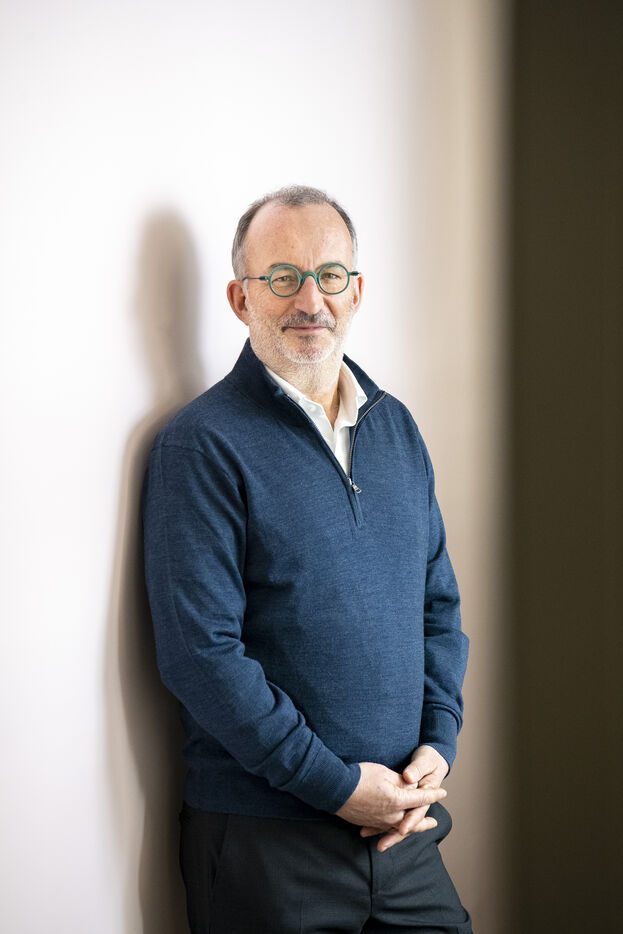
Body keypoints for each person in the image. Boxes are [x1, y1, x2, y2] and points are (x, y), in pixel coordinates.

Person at [142, 185, 472, 933]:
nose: (310, 300)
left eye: (329, 275)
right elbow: (201, 656)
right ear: (240, 298)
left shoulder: (396, 430)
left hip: (405, 837)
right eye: (283, 277)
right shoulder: (201, 445)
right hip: (266, 846)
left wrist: (438, 742)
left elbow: (437, 609)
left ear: (357, 291)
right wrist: (336, 788)